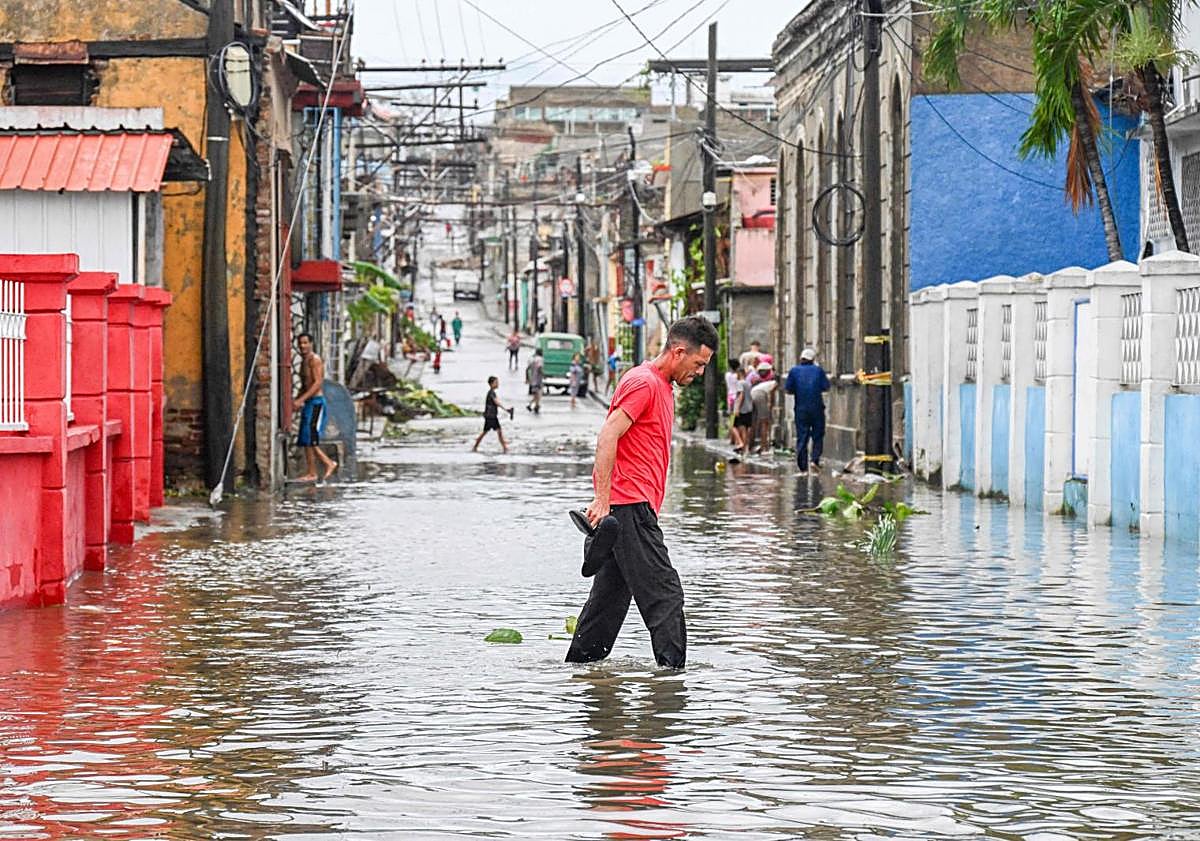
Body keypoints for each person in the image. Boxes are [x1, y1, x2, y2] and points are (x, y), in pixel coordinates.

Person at [565, 316, 718, 670]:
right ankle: (672, 685)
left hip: (630, 510)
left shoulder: (661, 387)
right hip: (629, 507)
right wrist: (602, 499)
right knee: (666, 594)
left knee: (608, 601)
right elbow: (608, 436)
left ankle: (579, 672)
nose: (699, 372)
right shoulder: (644, 383)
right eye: (698, 364)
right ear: (679, 351)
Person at [292, 332, 338, 482]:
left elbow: (317, 383)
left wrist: (301, 400)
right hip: (308, 402)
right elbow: (305, 384)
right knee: (305, 438)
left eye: (305, 343)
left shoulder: (315, 360)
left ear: (311, 344)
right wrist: (298, 399)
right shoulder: (303, 362)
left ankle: (328, 463)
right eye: (300, 343)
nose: (302, 346)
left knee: (311, 438)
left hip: (316, 403)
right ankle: (312, 472)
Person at [784, 347, 831, 473]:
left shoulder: (794, 371)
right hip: (817, 408)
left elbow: (788, 390)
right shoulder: (818, 371)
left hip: (801, 409)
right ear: (813, 359)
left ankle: (802, 466)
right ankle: (814, 460)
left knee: (802, 436)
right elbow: (826, 387)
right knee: (818, 434)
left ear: (801, 359)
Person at [472, 376, 510, 454]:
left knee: (488, 432)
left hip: (490, 416)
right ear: (492, 384)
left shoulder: (491, 392)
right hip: (491, 416)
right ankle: (505, 448)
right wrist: (505, 409)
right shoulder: (491, 393)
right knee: (497, 432)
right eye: (496, 382)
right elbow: (496, 402)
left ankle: (475, 447)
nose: (498, 384)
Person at [750, 362, 777, 455]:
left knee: (755, 422)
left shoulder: (764, 383)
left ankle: (752, 445)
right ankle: (764, 447)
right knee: (765, 422)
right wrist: (771, 404)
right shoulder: (774, 383)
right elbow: (772, 394)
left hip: (753, 394)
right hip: (759, 395)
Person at [730, 366, 754, 454]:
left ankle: (741, 443)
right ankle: (745, 448)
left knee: (734, 426)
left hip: (742, 409)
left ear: (739, 373)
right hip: (749, 408)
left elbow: (741, 395)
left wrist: (737, 408)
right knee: (747, 428)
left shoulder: (739, 383)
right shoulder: (748, 383)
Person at [525, 348, 544, 413]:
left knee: (536, 394)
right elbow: (540, 368)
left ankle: (536, 405)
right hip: (538, 379)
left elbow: (527, 369)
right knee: (538, 393)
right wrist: (543, 374)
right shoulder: (540, 359)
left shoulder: (532, 359)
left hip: (532, 379)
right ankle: (533, 405)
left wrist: (527, 378)